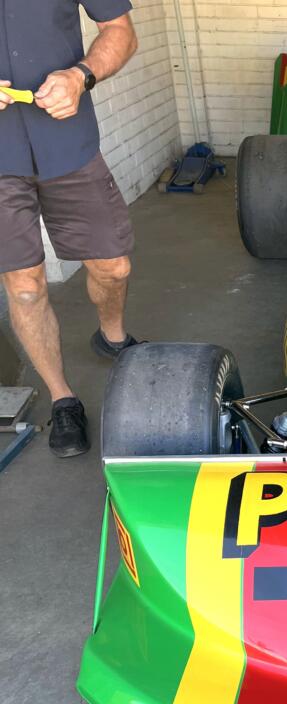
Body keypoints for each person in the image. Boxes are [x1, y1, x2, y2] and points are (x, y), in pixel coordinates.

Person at [0, 2, 139, 457]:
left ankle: (112, 334)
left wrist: (81, 75)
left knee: (113, 267)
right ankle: (63, 398)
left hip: (69, 144)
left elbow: (119, 30)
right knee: (23, 289)